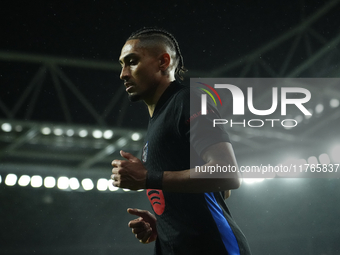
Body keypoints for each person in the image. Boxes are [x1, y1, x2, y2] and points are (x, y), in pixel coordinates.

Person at [111, 28, 252, 255]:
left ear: (163, 62)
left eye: (132, 62)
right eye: (121, 65)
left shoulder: (188, 101)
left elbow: (227, 175)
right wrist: (164, 224)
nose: (123, 74)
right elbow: (218, 193)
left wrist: (148, 178)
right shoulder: (158, 120)